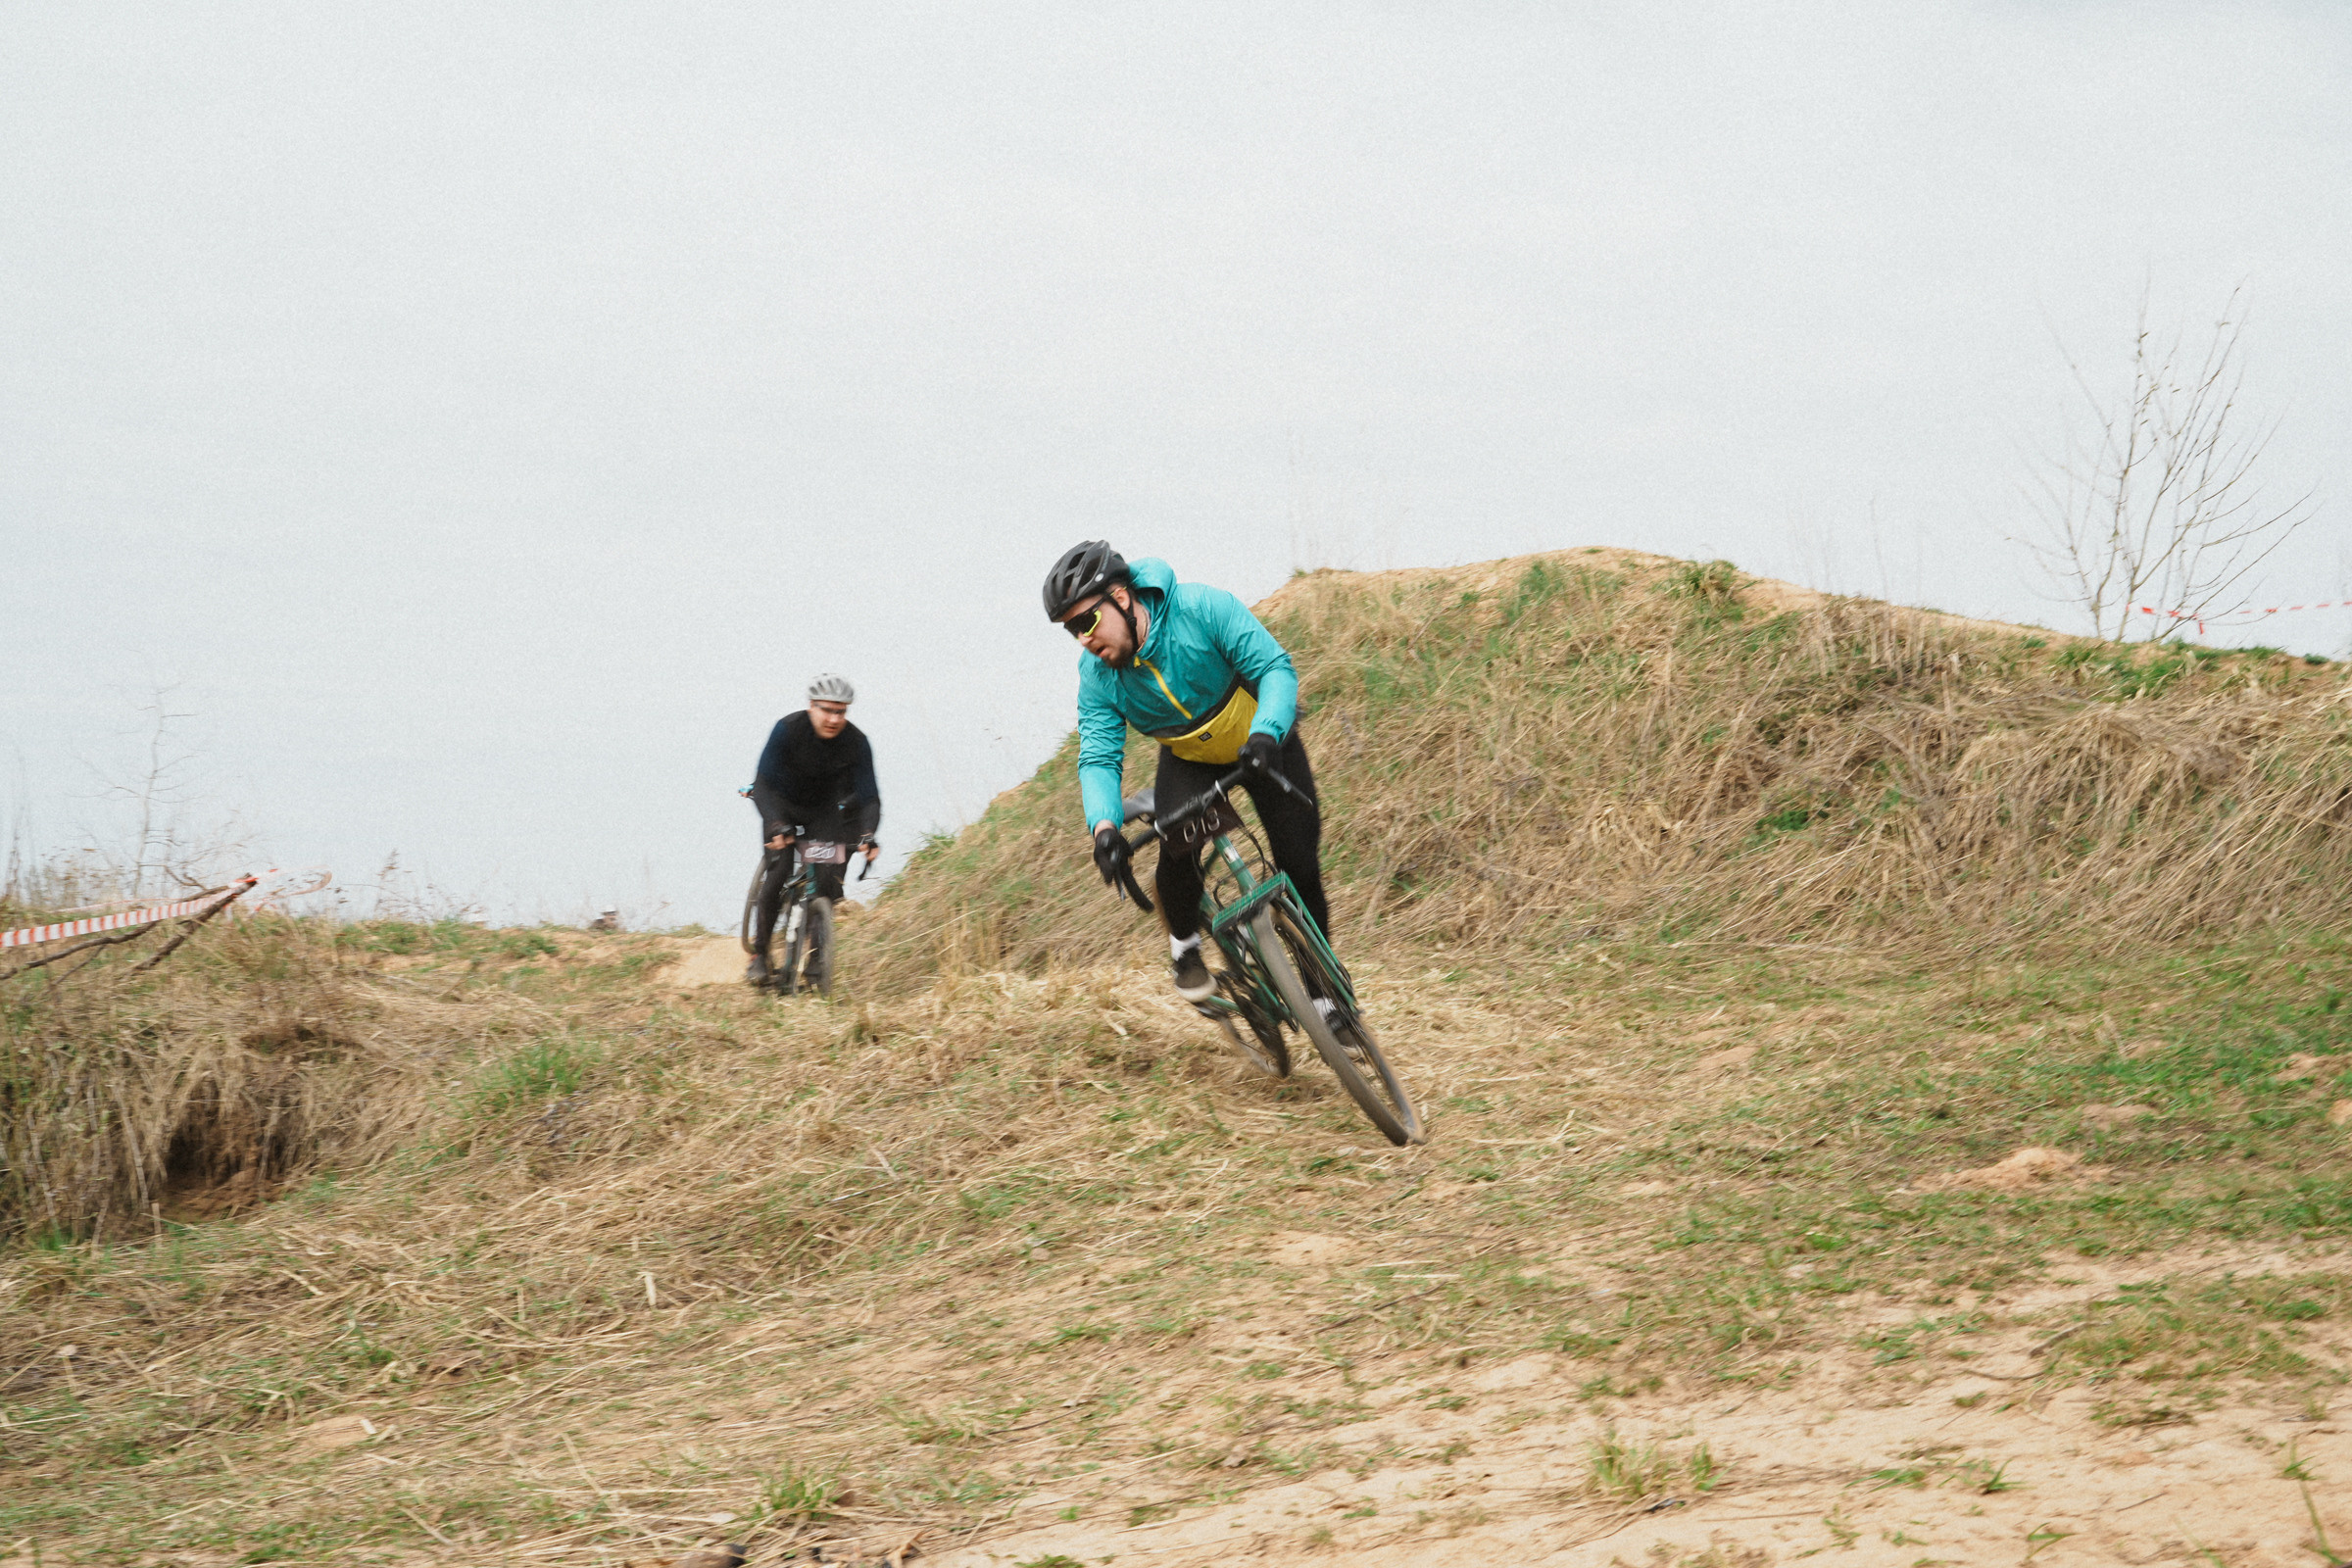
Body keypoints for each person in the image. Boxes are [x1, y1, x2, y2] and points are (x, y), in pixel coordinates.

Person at [1043, 541, 1331, 1003]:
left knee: (1299, 865)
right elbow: (1098, 756)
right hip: (1190, 760)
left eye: (1085, 622)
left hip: (1262, 739)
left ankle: (1326, 997)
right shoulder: (1097, 676)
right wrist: (1104, 830)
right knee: (1177, 854)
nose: (1083, 639)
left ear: (1120, 598)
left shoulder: (1200, 608)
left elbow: (1274, 667)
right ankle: (1185, 949)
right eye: (1070, 631)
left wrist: (1266, 733)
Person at [747, 674, 880, 986]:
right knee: (778, 874)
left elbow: (870, 796)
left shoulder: (856, 742)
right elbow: (763, 784)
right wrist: (775, 824)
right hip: (781, 806)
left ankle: (818, 959)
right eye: (827, 710)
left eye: (841, 712)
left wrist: (868, 834)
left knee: (827, 883)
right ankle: (760, 955)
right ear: (811, 707)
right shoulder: (788, 729)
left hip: (823, 815)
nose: (834, 719)